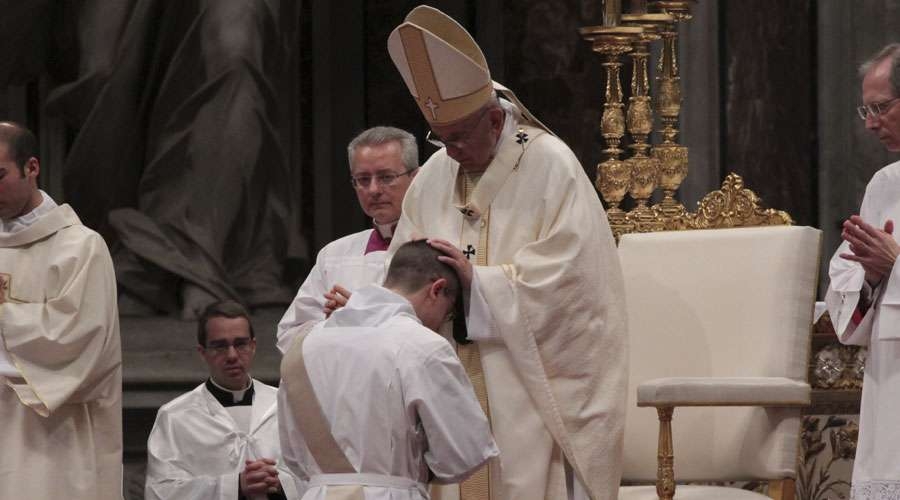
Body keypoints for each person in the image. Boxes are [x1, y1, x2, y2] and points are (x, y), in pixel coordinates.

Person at [386, 6, 628, 500]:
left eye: (459, 137)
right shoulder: (434, 174)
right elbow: (403, 266)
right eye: (440, 138)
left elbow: (577, 284)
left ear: (495, 119)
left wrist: (479, 283)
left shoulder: (551, 165)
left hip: (526, 382)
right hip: (446, 370)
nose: (450, 151)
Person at [278, 240, 499, 499]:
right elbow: (466, 454)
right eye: (448, 313)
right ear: (437, 289)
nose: (441, 322)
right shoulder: (424, 346)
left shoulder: (303, 346)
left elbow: (293, 456)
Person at [0, 121, 122, 499]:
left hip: (54, 449)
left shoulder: (80, 249)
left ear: (32, 167)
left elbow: (78, 344)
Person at [825, 42, 900, 500]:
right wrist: (872, 276)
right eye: (866, 110)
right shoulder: (884, 186)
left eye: (881, 107)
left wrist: (896, 264)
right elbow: (846, 278)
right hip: (891, 388)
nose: (871, 123)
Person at [276, 126, 418, 352]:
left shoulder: (437, 245)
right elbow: (289, 335)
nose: (373, 189)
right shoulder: (334, 255)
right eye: (363, 179)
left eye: (386, 177)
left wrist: (360, 319)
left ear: (416, 178)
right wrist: (335, 325)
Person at [146, 300, 302, 499]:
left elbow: (317, 475)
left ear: (253, 346)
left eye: (240, 344)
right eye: (220, 346)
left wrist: (281, 483)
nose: (232, 355)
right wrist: (234, 486)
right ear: (203, 353)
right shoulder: (175, 417)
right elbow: (160, 492)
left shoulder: (285, 404)